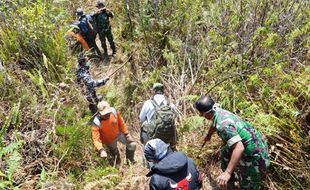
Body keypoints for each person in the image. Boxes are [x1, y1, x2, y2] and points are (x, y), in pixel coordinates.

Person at [194, 95, 270, 190]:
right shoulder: (220, 112)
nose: (202, 116)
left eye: (201, 114)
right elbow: (214, 122)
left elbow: (239, 148)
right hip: (253, 142)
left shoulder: (222, 126)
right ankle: (231, 181)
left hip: (255, 154)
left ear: (206, 114)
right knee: (225, 153)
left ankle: (242, 180)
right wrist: (209, 135)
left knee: (247, 185)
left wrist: (227, 173)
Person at [139, 83, 177, 150]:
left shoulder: (148, 103)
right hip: (167, 136)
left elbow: (141, 119)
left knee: (144, 125)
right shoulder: (170, 104)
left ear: (154, 91)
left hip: (151, 136)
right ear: (163, 91)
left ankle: (147, 155)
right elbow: (175, 117)